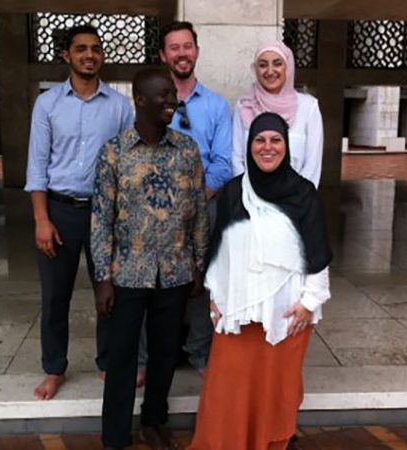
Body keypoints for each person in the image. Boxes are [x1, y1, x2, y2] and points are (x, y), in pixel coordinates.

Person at [189, 112, 332, 450]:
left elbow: (317, 250)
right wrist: (216, 298)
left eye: (275, 140)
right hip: (237, 311)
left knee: (275, 390)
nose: (267, 147)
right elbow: (220, 248)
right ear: (250, 145)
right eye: (260, 140)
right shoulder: (234, 191)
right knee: (226, 391)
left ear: (286, 145)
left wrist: (309, 303)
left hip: (287, 314)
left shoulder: (303, 194)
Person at [91, 68, 209, 450]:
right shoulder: (114, 152)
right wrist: (102, 278)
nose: (171, 100)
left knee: (163, 354)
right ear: (139, 99)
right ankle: (115, 435)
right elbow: (101, 218)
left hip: (175, 271)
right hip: (127, 273)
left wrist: (198, 265)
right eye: (162, 95)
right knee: (123, 357)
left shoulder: (187, 150)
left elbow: (197, 212)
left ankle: (154, 420)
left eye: (172, 94)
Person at [24, 25, 134, 400]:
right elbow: (37, 167)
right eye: (82, 48)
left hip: (106, 214)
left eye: (96, 49)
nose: (90, 54)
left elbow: (127, 167)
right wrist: (42, 219)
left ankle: (107, 362)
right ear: (66, 56)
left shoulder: (120, 107)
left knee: (110, 293)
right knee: (56, 296)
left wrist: (122, 221)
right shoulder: (48, 105)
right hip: (59, 211)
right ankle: (55, 368)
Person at [137, 20, 232, 385]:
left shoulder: (217, 106)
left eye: (187, 46)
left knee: (201, 282)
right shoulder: (150, 102)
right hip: (154, 212)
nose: (181, 53)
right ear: (163, 55)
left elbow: (223, 163)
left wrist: (191, 202)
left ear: (197, 51)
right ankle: (145, 359)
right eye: (173, 47)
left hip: (203, 207)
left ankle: (199, 352)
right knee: (150, 283)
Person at [232, 41, 324, 188]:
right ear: (255, 69)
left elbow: (312, 163)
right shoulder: (244, 106)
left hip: (296, 201)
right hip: (250, 201)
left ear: (288, 67)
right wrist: (249, 196)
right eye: (263, 65)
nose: (270, 71)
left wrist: (299, 198)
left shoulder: (308, 107)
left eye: (277, 63)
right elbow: (237, 158)